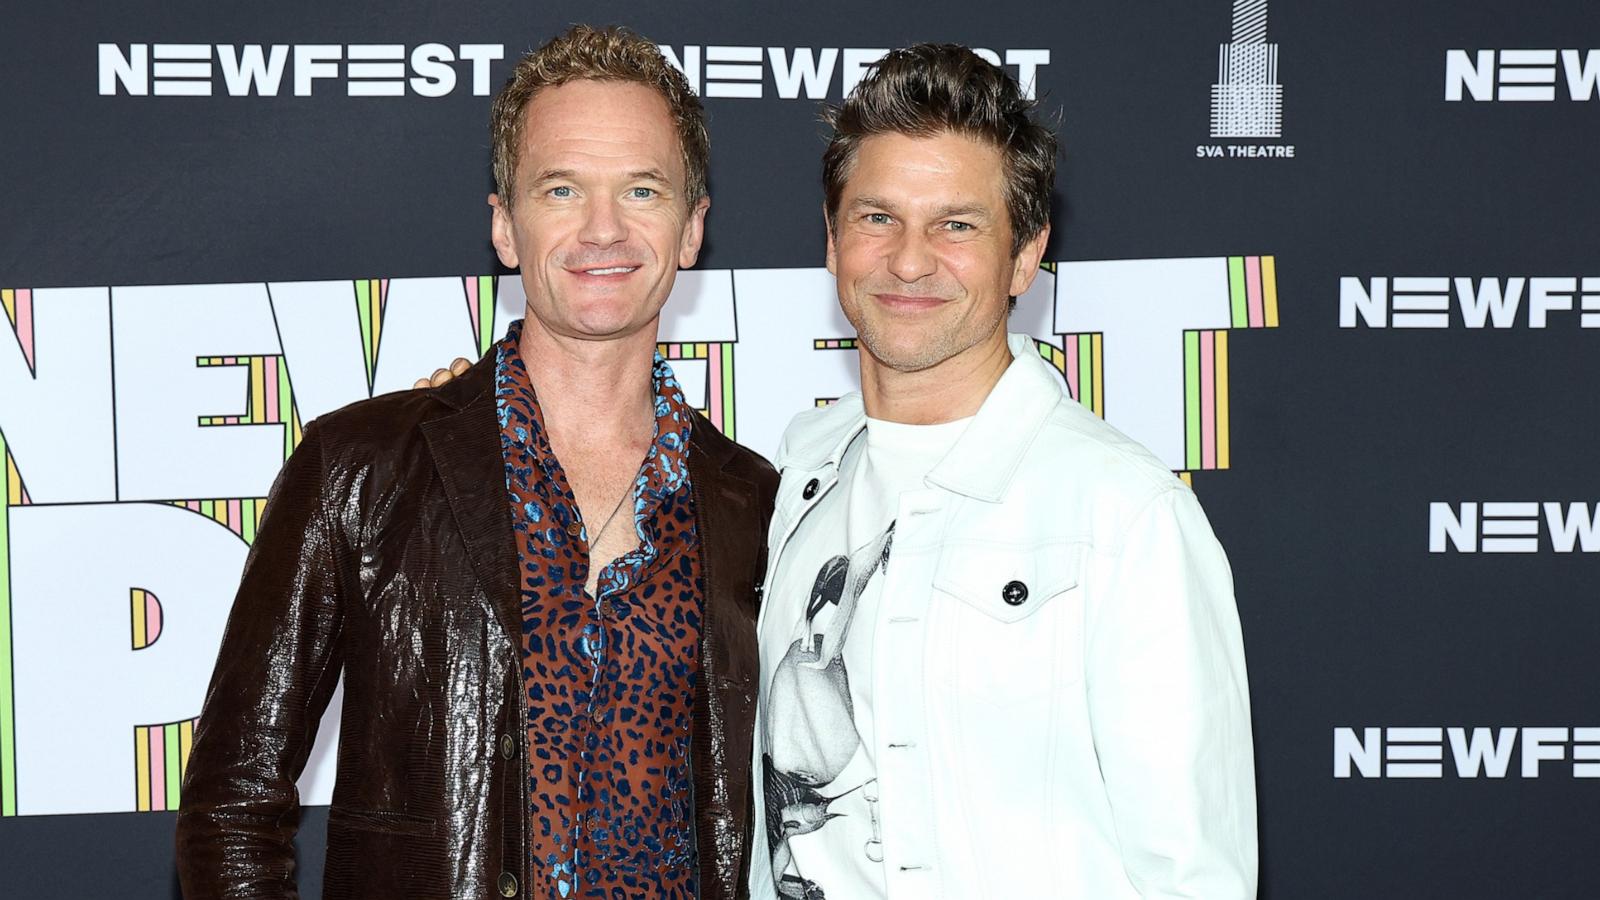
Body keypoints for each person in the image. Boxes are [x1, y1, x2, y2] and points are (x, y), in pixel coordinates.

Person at [175, 26, 776, 900]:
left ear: (691, 228)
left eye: (641, 190)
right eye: (561, 188)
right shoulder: (361, 468)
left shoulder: (756, 503)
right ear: (505, 225)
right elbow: (233, 806)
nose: (602, 229)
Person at [747, 45, 1257, 899]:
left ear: (1025, 256)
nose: (910, 261)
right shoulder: (793, 481)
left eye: (958, 225)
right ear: (832, 242)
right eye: (877, 218)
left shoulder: (1123, 515)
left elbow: (1194, 876)